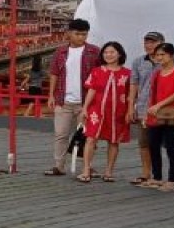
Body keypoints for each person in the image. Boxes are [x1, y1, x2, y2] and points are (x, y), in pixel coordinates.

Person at [44, 18, 100, 176]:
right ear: (69, 33)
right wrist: (51, 95)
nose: (81, 37)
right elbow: (54, 73)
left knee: (87, 136)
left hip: (86, 101)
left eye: (84, 34)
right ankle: (59, 165)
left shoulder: (94, 51)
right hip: (63, 100)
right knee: (60, 134)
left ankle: (87, 166)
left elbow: (99, 75)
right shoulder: (60, 52)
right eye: (78, 34)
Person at [77, 41, 131, 183]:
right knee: (90, 138)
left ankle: (109, 171)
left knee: (114, 141)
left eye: (112, 52)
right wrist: (85, 108)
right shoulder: (97, 71)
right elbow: (91, 90)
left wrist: (130, 111)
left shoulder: (127, 74)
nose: (108, 55)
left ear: (119, 54)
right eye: (106, 52)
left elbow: (130, 95)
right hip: (97, 110)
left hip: (118, 112)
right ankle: (86, 170)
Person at [142, 42, 174, 192]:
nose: (159, 58)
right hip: (156, 114)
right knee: (153, 144)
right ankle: (157, 177)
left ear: (172, 56)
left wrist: (159, 105)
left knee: (171, 146)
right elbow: (152, 94)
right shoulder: (157, 73)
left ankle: (173, 179)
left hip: (171, 114)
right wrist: (150, 110)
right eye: (157, 55)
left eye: (163, 54)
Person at [125, 31, 169, 185]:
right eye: (146, 42)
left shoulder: (172, 61)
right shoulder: (138, 61)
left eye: (153, 42)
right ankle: (146, 173)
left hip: (165, 108)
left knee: (166, 143)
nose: (149, 45)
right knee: (144, 142)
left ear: (162, 43)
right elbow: (134, 84)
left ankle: (167, 176)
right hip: (144, 107)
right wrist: (131, 107)